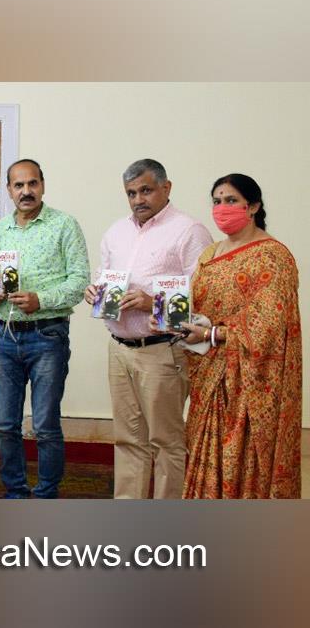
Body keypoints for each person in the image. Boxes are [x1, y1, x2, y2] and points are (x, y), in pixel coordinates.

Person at [163, 174, 300, 498]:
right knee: (201, 448)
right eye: (217, 200)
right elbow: (196, 302)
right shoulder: (210, 253)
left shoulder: (273, 256)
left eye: (231, 200)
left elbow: (268, 324)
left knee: (242, 457)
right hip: (207, 372)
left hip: (248, 380)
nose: (222, 208)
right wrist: (170, 317)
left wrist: (213, 333)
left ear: (252, 206)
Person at [85, 159, 212, 499]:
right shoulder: (116, 232)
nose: (138, 199)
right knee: (128, 439)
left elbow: (203, 295)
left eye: (146, 190)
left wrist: (150, 301)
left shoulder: (189, 231)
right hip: (119, 348)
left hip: (162, 350)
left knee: (166, 441)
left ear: (166, 188)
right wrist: (94, 291)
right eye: (131, 193)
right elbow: (104, 275)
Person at [0, 159, 89, 498]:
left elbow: (80, 282)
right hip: (4, 335)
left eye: (32, 184)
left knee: (45, 425)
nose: (26, 191)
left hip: (48, 335)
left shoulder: (64, 225)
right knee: (4, 425)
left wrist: (41, 299)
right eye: (18, 185)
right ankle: (15, 491)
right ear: (9, 190)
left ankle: (46, 494)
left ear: (42, 184)